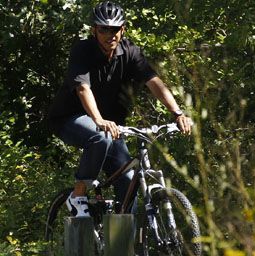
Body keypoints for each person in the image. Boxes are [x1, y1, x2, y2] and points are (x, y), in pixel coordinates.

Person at [47, 1, 191, 217]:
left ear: (122, 29)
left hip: (110, 126)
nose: (110, 34)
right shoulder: (82, 51)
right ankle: (78, 195)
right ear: (94, 29)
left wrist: (178, 113)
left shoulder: (131, 52)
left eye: (115, 29)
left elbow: (154, 83)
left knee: (128, 181)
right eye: (104, 29)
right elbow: (83, 89)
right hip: (70, 118)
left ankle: (119, 240)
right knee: (100, 137)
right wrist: (98, 120)